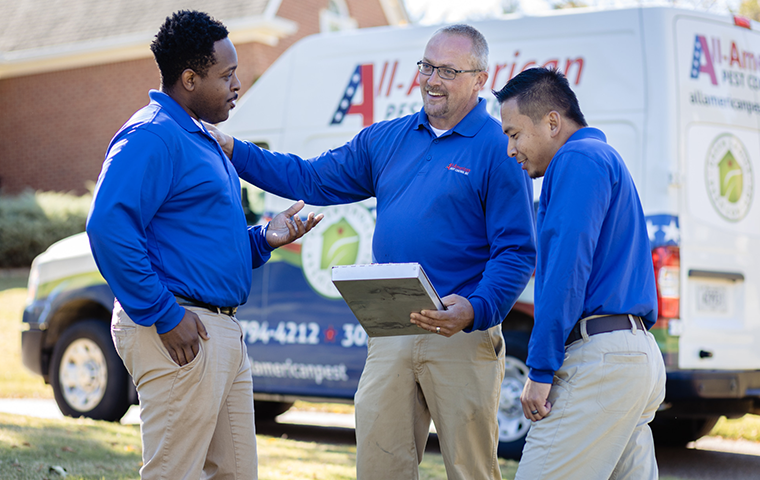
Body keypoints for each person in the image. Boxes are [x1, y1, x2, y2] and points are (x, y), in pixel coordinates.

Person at [208, 24, 536, 480]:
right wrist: (235, 151)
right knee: (381, 465)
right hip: (392, 327)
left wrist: (477, 309)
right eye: (426, 66)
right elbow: (310, 178)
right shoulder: (387, 139)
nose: (432, 79)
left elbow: (517, 250)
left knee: (472, 470)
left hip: (461, 333)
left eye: (447, 70)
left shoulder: (501, 148)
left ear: (480, 79)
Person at [86, 10, 322, 480]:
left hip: (221, 332)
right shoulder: (154, 135)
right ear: (189, 78)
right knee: (173, 473)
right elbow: (108, 229)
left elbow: (195, 240)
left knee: (235, 473)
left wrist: (261, 240)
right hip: (178, 330)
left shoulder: (202, 139)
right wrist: (165, 315)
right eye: (227, 75)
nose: (237, 86)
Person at [495, 67, 666, 479]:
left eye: (515, 134)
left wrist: (539, 369)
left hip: (601, 362)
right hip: (634, 357)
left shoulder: (576, 159)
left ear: (553, 122)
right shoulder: (603, 159)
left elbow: (565, 274)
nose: (510, 149)